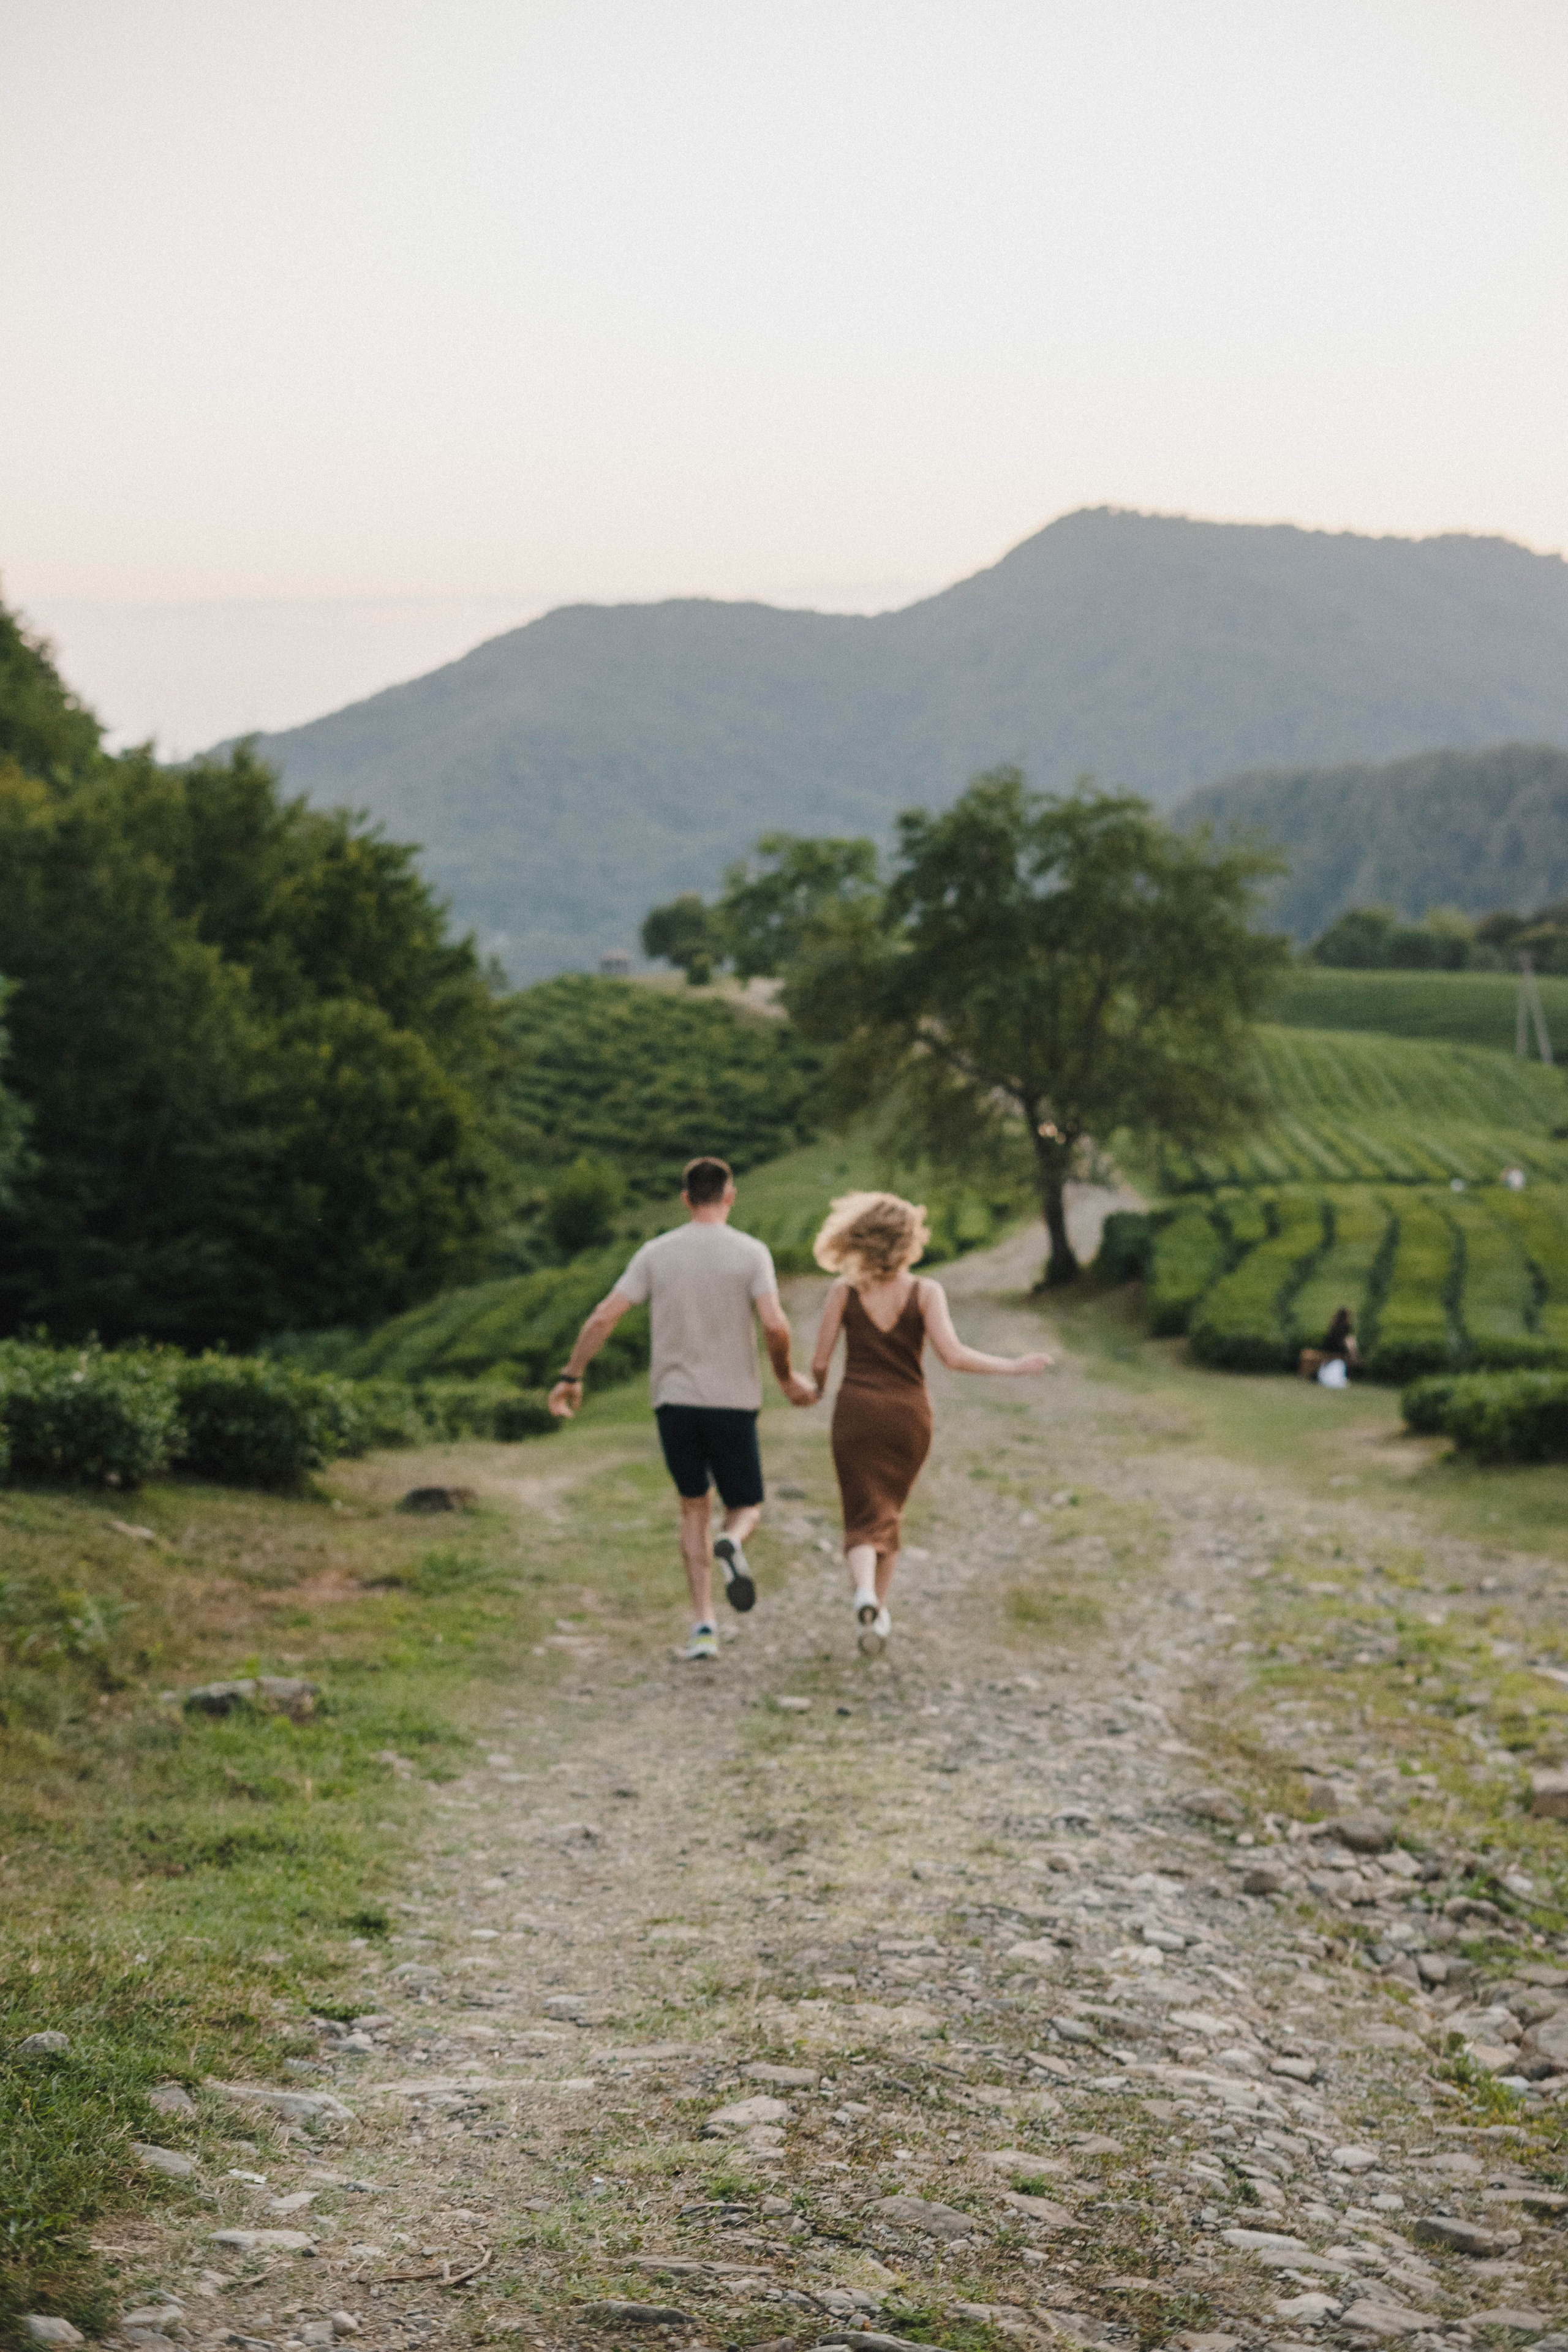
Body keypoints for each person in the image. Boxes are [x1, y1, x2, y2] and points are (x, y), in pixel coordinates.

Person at [548, 1156, 816, 1660]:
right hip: (734, 1401)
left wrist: (572, 1375)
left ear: (686, 1199)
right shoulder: (751, 1252)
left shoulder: (656, 1253)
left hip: (675, 1402)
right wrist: (785, 1376)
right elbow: (777, 1326)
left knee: (693, 1506)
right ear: (730, 1196)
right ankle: (733, 1541)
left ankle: (703, 1627)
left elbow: (605, 1316)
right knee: (745, 1506)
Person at [804, 1191, 1052, 1657]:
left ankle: (862, 1593)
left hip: (855, 1412)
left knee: (860, 1512)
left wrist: (815, 1387)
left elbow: (820, 1361)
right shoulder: (925, 1292)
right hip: (907, 1414)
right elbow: (953, 1356)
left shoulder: (843, 1292)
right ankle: (876, 1610)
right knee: (889, 1511)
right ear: (906, 1240)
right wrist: (1013, 1366)